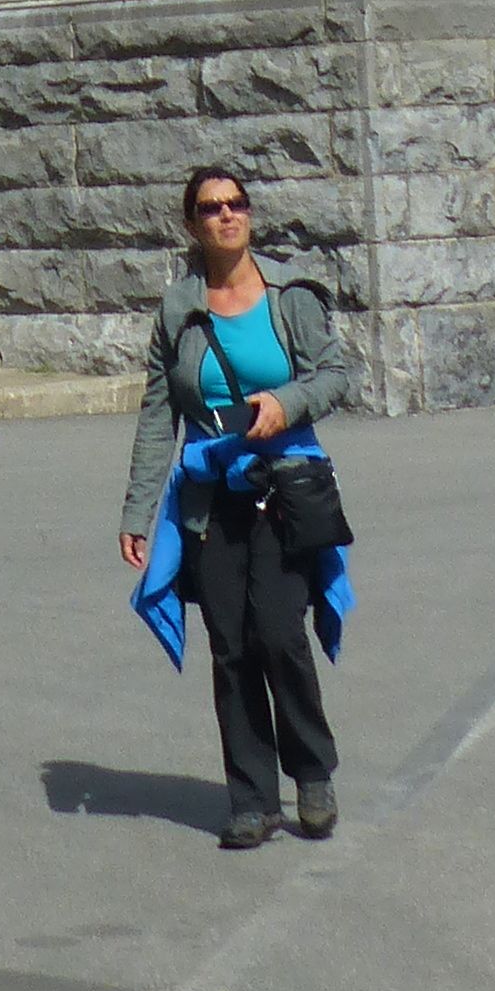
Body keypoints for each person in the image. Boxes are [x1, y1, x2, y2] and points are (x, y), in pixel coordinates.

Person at [118, 166, 357, 850]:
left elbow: (336, 375)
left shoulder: (290, 297)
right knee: (230, 646)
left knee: (279, 634)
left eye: (237, 204)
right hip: (210, 496)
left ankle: (311, 773)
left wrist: (286, 402)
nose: (227, 215)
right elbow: (159, 414)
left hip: (285, 489)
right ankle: (251, 798)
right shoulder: (179, 311)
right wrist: (137, 511)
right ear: (191, 224)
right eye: (211, 207)